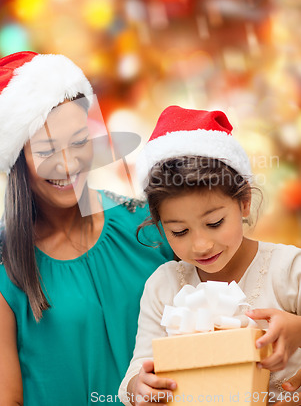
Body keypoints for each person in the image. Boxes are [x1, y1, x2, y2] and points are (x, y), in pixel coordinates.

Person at [0, 51, 173, 406]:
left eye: (79, 142)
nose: (68, 163)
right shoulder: (6, 268)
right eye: (47, 150)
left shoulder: (145, 225)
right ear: (17, 159)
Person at [118, 105, 301, 406]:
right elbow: (138, 371)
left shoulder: (288, 271)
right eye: (179, 231)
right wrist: (139, 385)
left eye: (214, 223)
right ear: (160, 224)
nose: (201, 245)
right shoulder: (164, 287)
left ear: (244, 203)